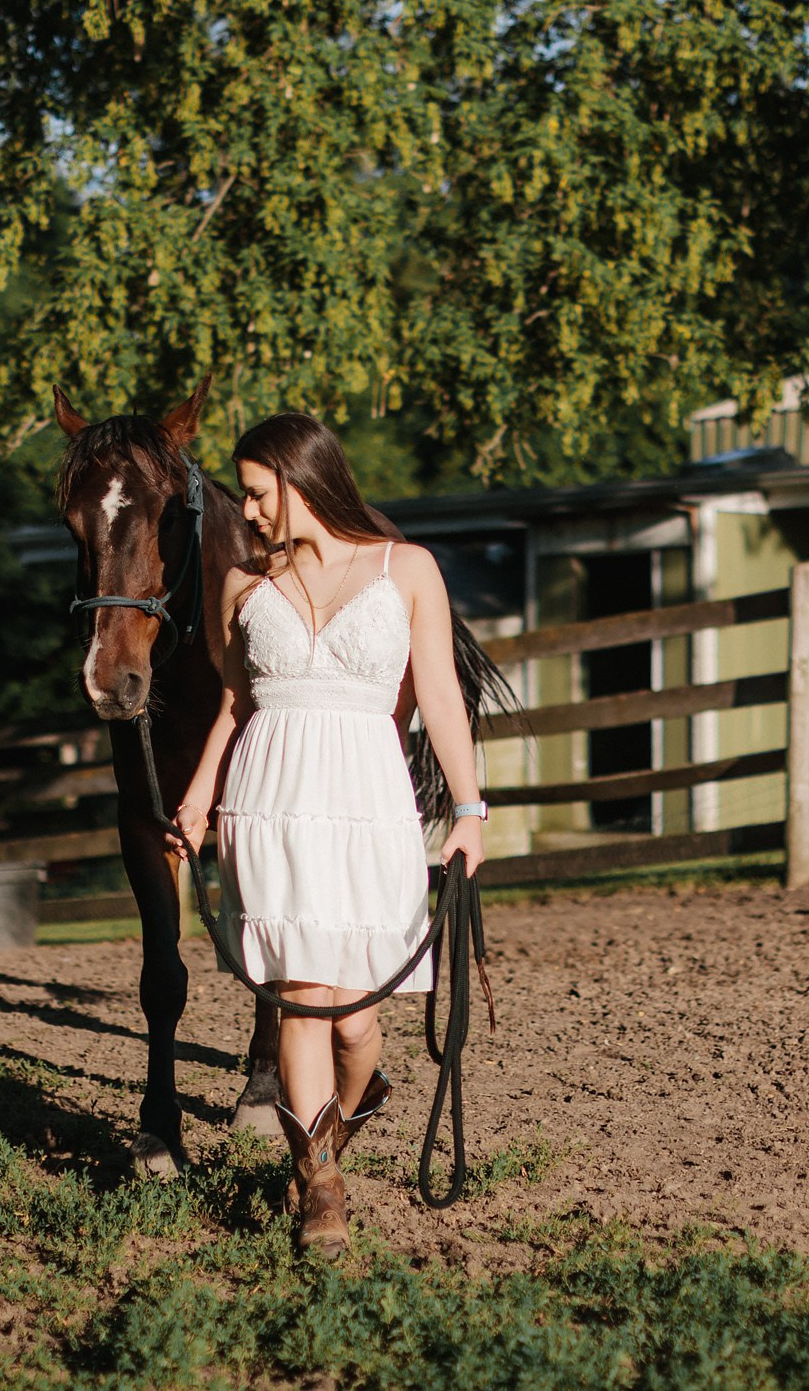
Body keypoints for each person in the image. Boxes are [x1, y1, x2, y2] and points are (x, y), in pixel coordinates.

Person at [169, 412, 487, 1257]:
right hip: (268, 800)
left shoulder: (406, 569)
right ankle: (322, 1190)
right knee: (301, 996)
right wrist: (199, 795)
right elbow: (235, 704)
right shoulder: (244, 584)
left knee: (354, 1021)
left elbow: (442, 698)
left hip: (367, 801)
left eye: (259, 491)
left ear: (301, 481)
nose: (250, 509)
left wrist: (470, 810)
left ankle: (345, 1117)